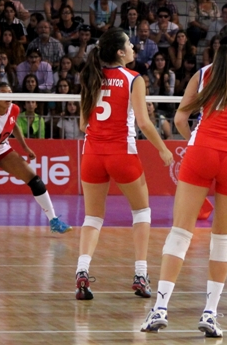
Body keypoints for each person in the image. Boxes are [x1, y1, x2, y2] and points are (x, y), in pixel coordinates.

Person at [140, 23, 227, 337]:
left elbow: (178, 119)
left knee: (180, 233)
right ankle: (210, 313)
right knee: (222, 239)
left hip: (201, 152)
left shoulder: (203, 73)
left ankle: (159, 309)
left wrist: (194, 143)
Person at [76, 28, 174, 301]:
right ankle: (141, 275)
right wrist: (163, 148)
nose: (133, 47)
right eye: (129, 44)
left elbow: (83, 124)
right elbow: (143, 122)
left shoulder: (89, 75)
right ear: (120, 52)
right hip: (122, 154)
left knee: (93, 218)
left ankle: (82, 271)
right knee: (142, 212)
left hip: (92, 154)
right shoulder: (134, 79)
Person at [0, 83, 71, 230]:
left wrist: (24, 147)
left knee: (34, 180)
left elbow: (13, 125)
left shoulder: (14, 109)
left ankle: (54, 221)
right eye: (4, 93)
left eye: (10, 92)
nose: (8, 96)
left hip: (1, 150)